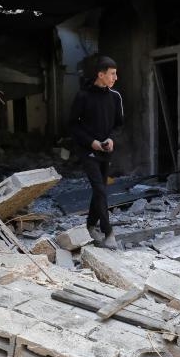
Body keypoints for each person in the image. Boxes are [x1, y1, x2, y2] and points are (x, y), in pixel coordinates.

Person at [69, 56, 124, 249]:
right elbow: (72, 126)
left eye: (115, 74)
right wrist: (90, 142)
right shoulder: (82, 96)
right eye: (112, 74)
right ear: (100, 75)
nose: (115, 77)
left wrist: (111, 139)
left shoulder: (115, 97)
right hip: (88, 151)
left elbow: (118, 125)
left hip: (105, 151)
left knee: (99, 190)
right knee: (100, 189)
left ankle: (91, 225)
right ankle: (108, 232)